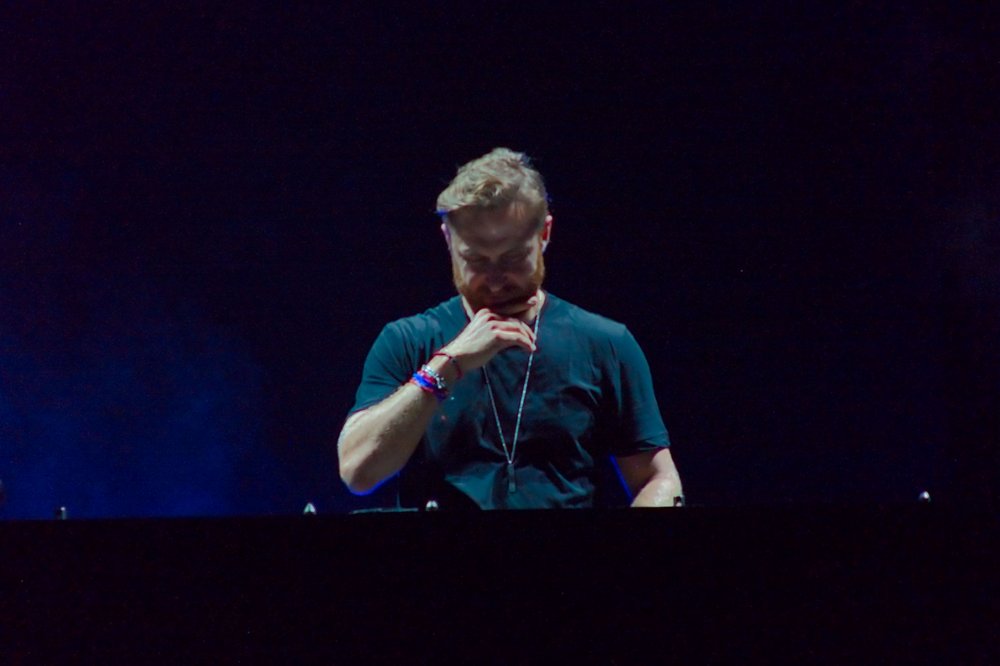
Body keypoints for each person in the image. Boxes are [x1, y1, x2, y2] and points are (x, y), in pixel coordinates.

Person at [338, 148, 682, 509]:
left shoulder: (606, 343)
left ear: (545, 233)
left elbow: (658, 478)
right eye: (475, 260)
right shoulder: (407, 341)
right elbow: (357, 473)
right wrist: (448, 364)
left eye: (514, 258)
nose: (495, 279)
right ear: (448, 239)